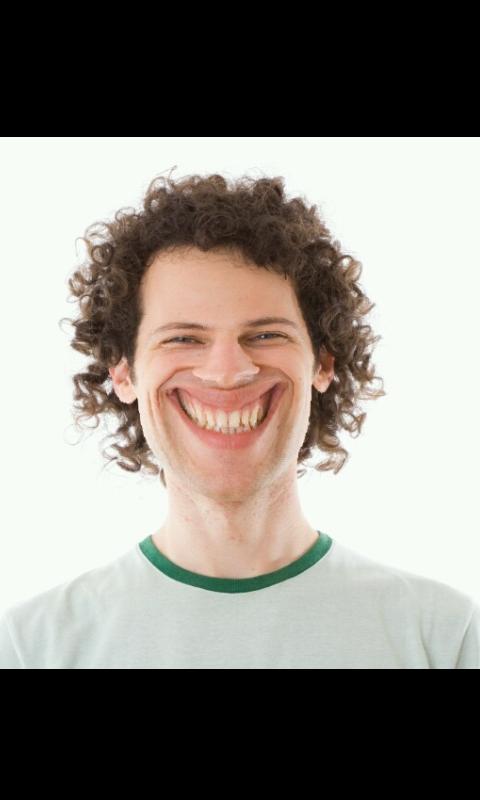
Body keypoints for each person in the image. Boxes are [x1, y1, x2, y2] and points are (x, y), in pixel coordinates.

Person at [1, 171, 478, 669]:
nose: (227, 373)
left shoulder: (443, 637)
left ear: (323, 363)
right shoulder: (33, 647)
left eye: (266, 335)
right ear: (123, 373)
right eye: (183, 338)